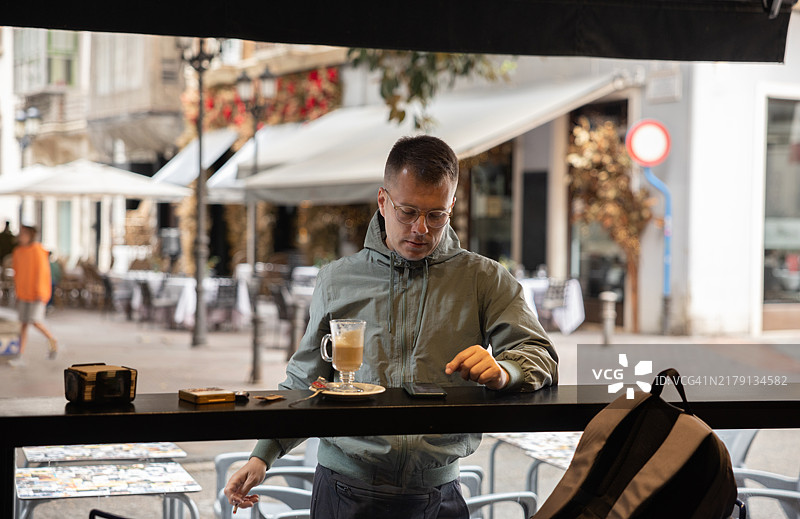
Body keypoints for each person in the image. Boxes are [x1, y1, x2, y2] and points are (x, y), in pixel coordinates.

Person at [224, 135, 558, 518]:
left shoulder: (484, 279)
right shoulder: (337, 279)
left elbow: (540, 354)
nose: (421, 229)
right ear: (383, 202)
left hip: (439, 494)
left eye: (436, 215)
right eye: (408, 211)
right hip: (343, 489)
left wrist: (505, 371)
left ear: (452, 205)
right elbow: (306, 378)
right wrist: (262, 455)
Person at [11, 225, 57, 365]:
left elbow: (42, 273)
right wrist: (18, 293)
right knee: (23, 324)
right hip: (23, 294)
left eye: (23, 234)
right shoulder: (17, 252)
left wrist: (41, 292)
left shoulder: (37, 250)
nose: (20, 236)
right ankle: (20, 354)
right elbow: (17, 274)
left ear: (30, 235)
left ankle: (52, 340)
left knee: (35, 321)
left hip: (37, 294)